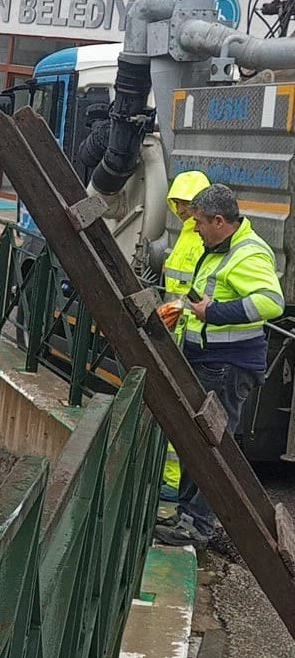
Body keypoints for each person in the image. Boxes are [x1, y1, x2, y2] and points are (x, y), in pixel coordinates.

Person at [154, 184, 285, 547]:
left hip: (227, 365)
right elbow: (205, 297)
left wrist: (215, 313)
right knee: (198, 443)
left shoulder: (248, 253)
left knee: (211, 448)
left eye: (199, 222)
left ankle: (197, 525)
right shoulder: (218, 248)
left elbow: (271, 302)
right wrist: (184, 310)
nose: (194, 228)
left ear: (219, 221)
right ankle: (187, 516)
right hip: (211, 361)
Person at [159, 171, 212, 502]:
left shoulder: (199, 238)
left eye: (186, 203)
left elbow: (196, 287)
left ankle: (175, 482)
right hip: (177, 328)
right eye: (176, 202)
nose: (180, 209)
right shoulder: (188, 233)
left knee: (182, 406)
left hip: (188, 331)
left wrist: (177, 307)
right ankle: (170, 478)